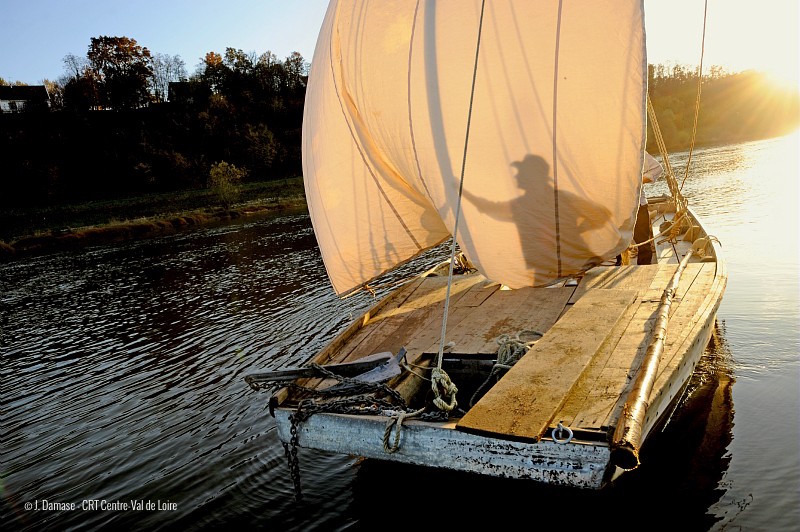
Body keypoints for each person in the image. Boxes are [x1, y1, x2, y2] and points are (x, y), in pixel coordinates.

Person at [634, 152, 664, 265]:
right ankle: (616, 269)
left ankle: (643, 271)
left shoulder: (636, 150)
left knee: (643, 243)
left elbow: (657, 169)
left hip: (638, 205)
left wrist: (636, 181)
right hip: (614, 207)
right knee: (614, 242)